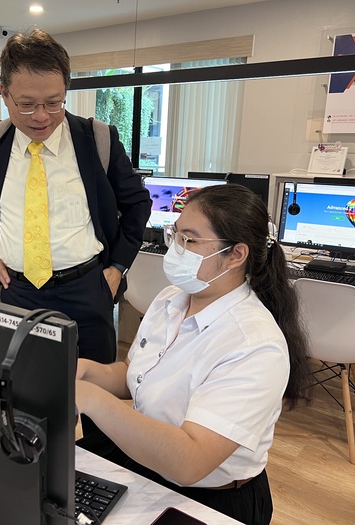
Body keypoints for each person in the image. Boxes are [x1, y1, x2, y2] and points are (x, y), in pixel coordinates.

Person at [75, 184, 312, 525]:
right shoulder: (172, 299)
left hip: (210, 497)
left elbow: (190, 461)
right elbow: (133, 374)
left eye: (189, 240)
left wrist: (92, 399)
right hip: (143, 460)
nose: (175, 248)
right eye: (176, 235)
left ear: (235, 255)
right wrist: (86, 372)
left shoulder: (254, 344)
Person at [0, 29, 151, 364]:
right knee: (24, 391)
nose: (41, 116)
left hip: (87, 288)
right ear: (4, 94)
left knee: (96, 396)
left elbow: (138, 204)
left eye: (54, 102)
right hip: (18, 290)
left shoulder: (97, 138)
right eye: (26, 104)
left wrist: (117, 267)